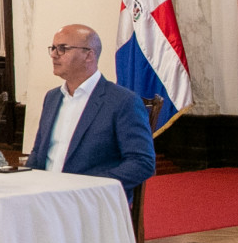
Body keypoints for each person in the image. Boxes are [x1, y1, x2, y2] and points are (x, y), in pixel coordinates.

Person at [24, 24, 156, 200]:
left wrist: (89, 188)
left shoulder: (122, 101)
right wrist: (25, 184)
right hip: (45, 196)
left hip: (91, 200)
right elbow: (38, 152)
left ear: (89, 55)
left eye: (63, 48)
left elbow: (142, 162)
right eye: (53, 48)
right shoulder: (52, 97)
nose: (54, 55)